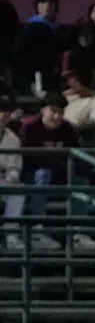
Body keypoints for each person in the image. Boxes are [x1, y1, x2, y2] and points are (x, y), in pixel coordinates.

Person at [19, 94, 95, 251]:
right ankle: (37, 231)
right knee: (42, 174)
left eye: (61, 112)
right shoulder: (29, 127)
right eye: (53, 111)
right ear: (43, 110)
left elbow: (77, 156)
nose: (57, 117)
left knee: (80, 180)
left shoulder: (67, 128)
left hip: (60, 172)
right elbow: (28, 159)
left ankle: (78, 233)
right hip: (32, 174)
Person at [0, 94, 25, 250]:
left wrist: (12, 178)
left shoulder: (13, 138)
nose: (2, 116)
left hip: (3, 179)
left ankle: (11, 235)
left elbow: (14, 166)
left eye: (5, 113)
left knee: (18, 190)